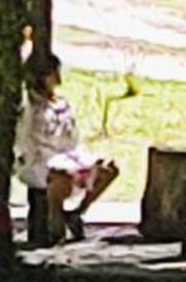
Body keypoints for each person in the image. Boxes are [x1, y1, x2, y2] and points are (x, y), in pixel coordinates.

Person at [15, 52, 118, 243]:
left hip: (69, 155)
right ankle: (55, 225)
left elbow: (72, 137)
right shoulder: (30, 106)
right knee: (60, 177)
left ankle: (77, 213)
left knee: (108, 169)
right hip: (41, 160)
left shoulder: (61, 103)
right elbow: (24, 139)